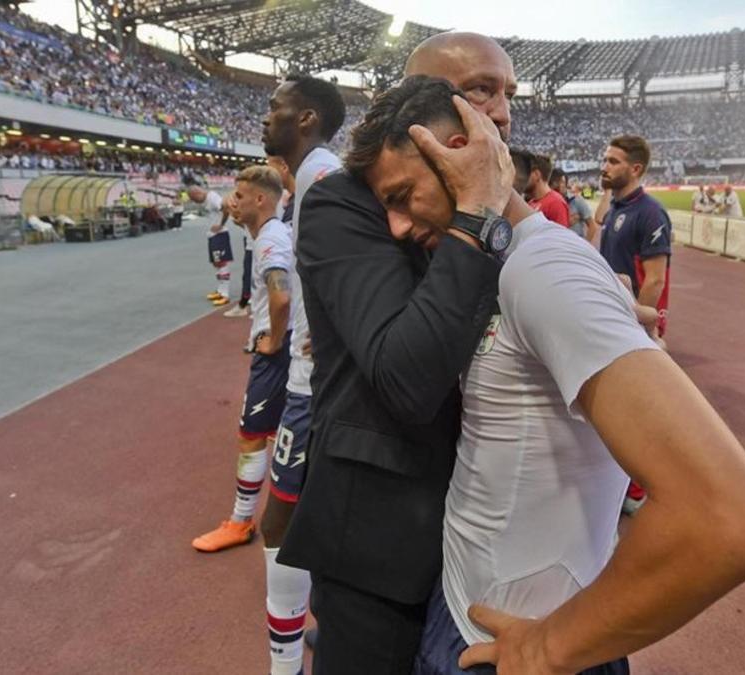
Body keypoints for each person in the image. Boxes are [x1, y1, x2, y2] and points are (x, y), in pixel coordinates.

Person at [351, 75, 745, 675]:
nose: (398, 226)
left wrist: (550, 647)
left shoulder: (542, 267)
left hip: (517, 636)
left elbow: (730, 517)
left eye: (402, 195)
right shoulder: (505, 257)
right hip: (475, 605)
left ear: (461, 154)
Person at [277, 31, 517, 674]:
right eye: (478, 92)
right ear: (417, 105)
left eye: (508, 94)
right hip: (375, 539)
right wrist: (476, 219)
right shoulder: (341, 204)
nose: (499, 112)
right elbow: (407, 378)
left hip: (473, 528)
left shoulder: (498, 214)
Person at [258, 74, 347, 675]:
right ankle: (327, 631)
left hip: (314, 385)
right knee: (318, 513)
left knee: (282, 520)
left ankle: (285, 664)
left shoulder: (320, 174)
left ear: (307, 117)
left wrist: (339, 337)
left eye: (276, 106)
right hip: (315, 376)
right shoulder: (313, 176)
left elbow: (352, 265)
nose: (267, 116)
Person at [191, 166, 295, 553]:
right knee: (281, 434)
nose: (232, 203)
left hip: (278, 357)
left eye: (239, 195)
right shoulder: (270, 236)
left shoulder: (270, 242)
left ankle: (240, 521)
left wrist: (273, 340)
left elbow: (281, 296)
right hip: (286, 352)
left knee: (252, 436)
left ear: (260, 200)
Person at [597, 134, 673, 516]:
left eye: (612, 161)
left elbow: (656, 279)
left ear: (635, 168)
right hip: (615, 320)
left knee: (639, 409)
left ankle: (640, 488)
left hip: (635, 324)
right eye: (605, 160)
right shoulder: (616, 208)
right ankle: (625, 482)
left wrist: (641, 327)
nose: (604, 166)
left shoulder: (650, 212)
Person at [189, 184, 235, 307]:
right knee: (216, 263)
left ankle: (225, 294)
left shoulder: (212, 197)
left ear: (198, 193)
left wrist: (221, 224)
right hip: (212, 235)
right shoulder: (206, 200)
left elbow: (225, 208)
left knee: (222, 262)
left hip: (220, 234)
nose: (195, 202)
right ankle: (220, 290)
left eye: (194, 199)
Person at [526, 153, 570, 227]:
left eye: (526, 173)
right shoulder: (531, 203)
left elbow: (560, 236)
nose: (523, 178)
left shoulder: (556, 203)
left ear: (537, 174)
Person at [552, 169, 593, 240]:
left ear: (566, 183)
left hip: (577, 246)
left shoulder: (577, 200)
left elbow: (592, 226)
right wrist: (567, 222)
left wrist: (585, 245)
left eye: (562, 182)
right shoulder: (549, 204)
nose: (559, 185)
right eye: (555, 182)